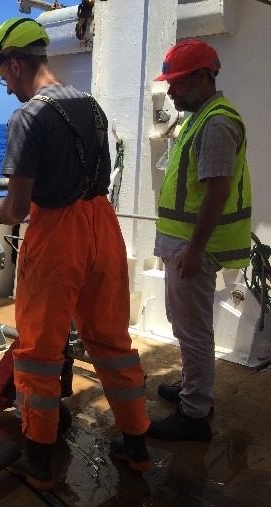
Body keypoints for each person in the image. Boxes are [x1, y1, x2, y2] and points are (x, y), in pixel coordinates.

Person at [0, 17, 152, 490]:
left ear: (15, 65)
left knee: (39, 350)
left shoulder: (29, 116)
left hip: (57, 233)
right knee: (111, 340)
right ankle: (137, 445)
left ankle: (38, 457)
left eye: (2, 76)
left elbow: (18, 208)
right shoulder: (93, 107)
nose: (5, 86)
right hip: (102, 225)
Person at [148, 39, 251, 442]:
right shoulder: (199, 117)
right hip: (182, 243)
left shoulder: (217, 123)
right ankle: (195, 389)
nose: (169, 91)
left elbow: (217, 193)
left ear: (202, 78)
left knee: (193, 330)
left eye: (176, 82)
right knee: (184, 323)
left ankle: (194, 414)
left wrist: (193, 251)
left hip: (194, 248)